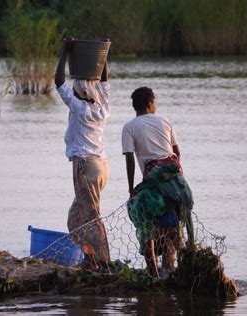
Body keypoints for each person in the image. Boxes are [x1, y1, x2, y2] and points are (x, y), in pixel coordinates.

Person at [122, 87, 194, 278]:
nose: (156, 105)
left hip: (152, 183)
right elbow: (177, 153)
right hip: (174, 182)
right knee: (173, 227)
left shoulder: (129, 127)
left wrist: (131, 189)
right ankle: (174, 269)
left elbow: (129, 158)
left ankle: (153, 273)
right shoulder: (165, 121)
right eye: (154, 102)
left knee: (147, 226)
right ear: (149, 103)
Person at [55, 37, 111, 271]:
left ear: (80, 93)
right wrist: (101, 58)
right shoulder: (103, 106)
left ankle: (101, 262)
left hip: (85, 166)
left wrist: (65, 52)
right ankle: (90, 257)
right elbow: (104, 80)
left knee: (91, 217)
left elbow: (58, 81)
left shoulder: (79, 108)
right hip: (101, 166)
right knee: (75, 217)